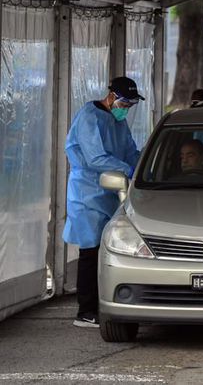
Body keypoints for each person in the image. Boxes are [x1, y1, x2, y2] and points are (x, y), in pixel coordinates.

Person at [63, 76, 143, 328]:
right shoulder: (90, 116)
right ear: (111, 97)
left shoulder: (117, 121)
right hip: (87, 191)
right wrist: (128, 169)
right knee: (90, 250)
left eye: (130, 105)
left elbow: (131, 149)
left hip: (110, 191)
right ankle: (86, 311)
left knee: (106, 249)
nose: (126, 109)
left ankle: (104, 303)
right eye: (124, 103)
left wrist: (145, 164)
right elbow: (95, 158)